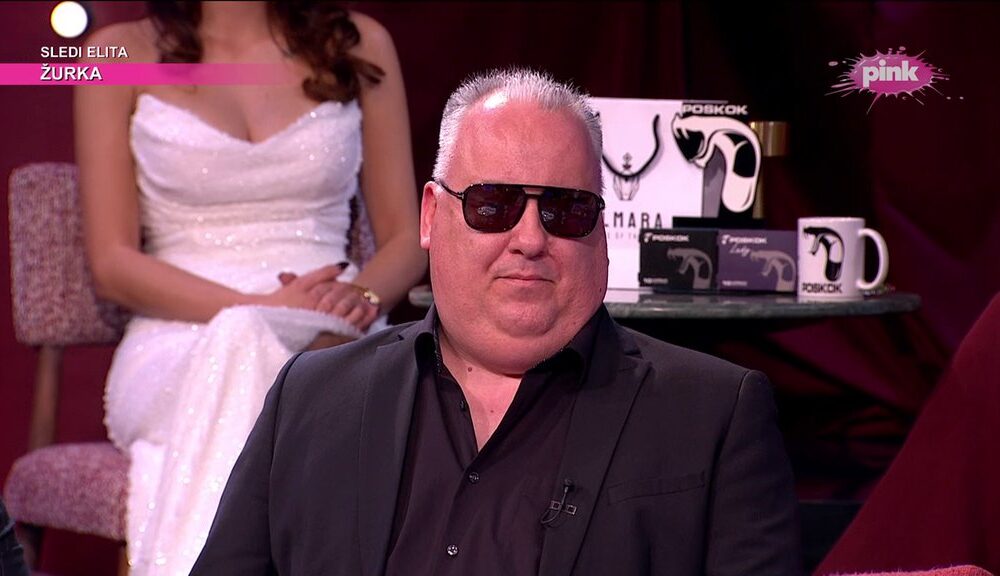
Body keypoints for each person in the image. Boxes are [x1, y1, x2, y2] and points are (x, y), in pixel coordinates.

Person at [191, 68, 800, 575]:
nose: (530, 239)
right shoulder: (312, 396)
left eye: (565, 209)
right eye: (493, 205)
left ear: (600, 227)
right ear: (431, 217)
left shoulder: (715, 413)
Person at [76, 2, 426, 573]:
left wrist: (360, 297)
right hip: (179, 340)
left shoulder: (357, 42)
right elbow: (112, 264)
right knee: (246, 340)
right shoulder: (116, 54)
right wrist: (261, 308)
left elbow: (410, 237)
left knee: (310, 372)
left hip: (330, 328)